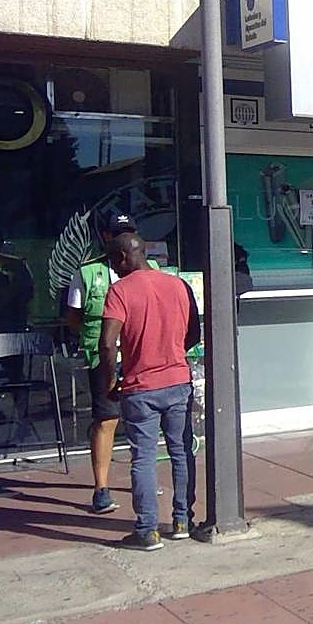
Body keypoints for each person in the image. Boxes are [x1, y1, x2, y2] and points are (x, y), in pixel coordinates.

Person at [97, 233, 200, 551]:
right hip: (178, 381)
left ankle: (147, 531)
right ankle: (182, 521)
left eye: (113, 261)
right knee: (181, 452)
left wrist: (110, 380)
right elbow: (194, 332)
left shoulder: (120, 290)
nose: (114, 268)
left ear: (123, 257)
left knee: (143, 458)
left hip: (140, 387)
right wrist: (172, 352)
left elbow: (107, 343)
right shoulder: (178, 285)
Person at [64, 211, 153, 514]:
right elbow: (73, 317)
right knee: (107, 419)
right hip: (104, 357)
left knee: (143, 418)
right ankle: (101, 488)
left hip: (142, 354)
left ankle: (143, 479)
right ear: (105, 238)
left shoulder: (151, 269)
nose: (123, 239)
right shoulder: (88, 272)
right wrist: (99, 341)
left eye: (128, 233)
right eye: (117, 234)